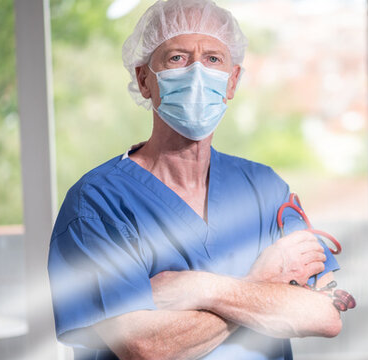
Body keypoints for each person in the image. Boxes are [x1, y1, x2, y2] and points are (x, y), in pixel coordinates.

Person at [46, 0, 344, 358]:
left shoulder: (264, 188)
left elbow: (324, 314)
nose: (197, 73)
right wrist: (261, 283)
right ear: (144, 79)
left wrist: (201, 288)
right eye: (177, 58)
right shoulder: (98, 205)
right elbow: (145, 347)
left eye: (213, 59)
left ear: (232, 81)